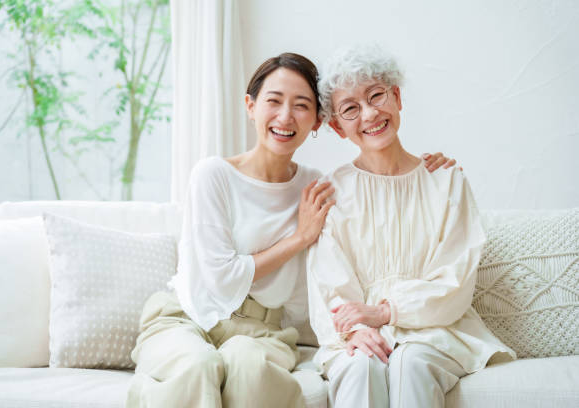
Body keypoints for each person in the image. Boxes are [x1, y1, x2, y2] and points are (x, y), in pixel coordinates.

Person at [126, 52, 456, 408]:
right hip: (186, 316)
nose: (285, 117)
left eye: (301, 105)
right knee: (197, 365)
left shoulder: (317, 187)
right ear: (250, 106)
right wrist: (300, 237)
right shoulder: (213, 175)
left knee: (250, 369)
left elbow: (355, 243)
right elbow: (219, 280)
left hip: (263, 331)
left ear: (317, 121)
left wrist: (424, 170)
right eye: (274, 101)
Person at [307, 45, 517, 408]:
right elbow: (330, 284)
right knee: (362, 364)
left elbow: (455, 278)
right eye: (351, 108)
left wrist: (386, 311)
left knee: (411, 360)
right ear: (338, 127)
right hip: (360, 335)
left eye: (376, 95)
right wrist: (358, 328)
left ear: (397, 97)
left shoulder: (446, 180)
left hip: (437, 330)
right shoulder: (332, 193)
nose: (370, 113)